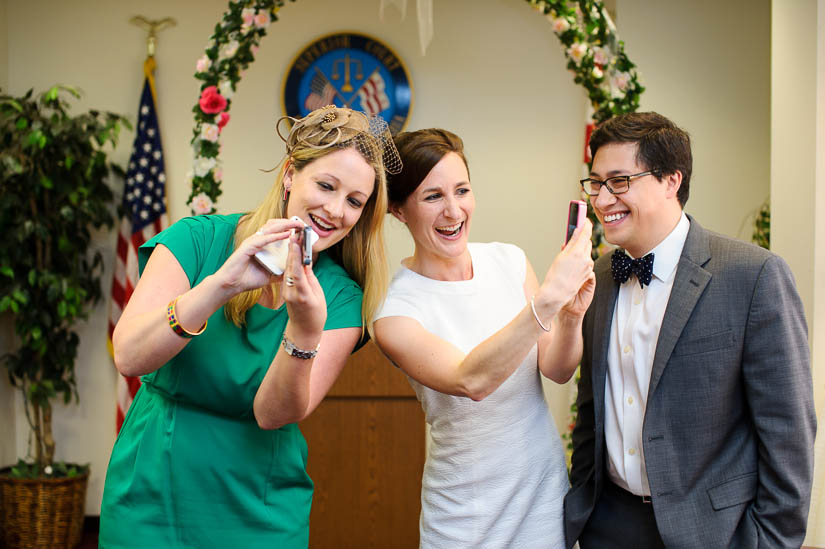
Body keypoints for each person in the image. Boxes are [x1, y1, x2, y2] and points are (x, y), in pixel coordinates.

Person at [99, 106, 400, 547]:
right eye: (326, 185)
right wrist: (221, 285)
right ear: (289, 174)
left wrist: (304, 330)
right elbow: (128, 355)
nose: (336, 210)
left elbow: (272, 413)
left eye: (355, 201)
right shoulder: (196, 240)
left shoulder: (339, 297)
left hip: (260, 509)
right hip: (153, 489)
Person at [564, 112, 817, 548]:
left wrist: (769, 542)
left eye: (620, 181)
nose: (603, 200)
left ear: (671, 180)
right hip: (609, 526)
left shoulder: (753, 275)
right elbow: (591, 410)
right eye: (596, 183)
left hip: (715, 533)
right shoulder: (600, 275)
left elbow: (788, 434)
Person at [373, 128, 596, 548]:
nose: (453, 211)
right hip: (464, 517)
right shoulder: (394, 310)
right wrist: (547, 302)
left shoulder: (508, 260)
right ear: (400, 211)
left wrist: (570, 314)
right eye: (432, 196)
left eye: (462, 190)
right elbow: (470, 380)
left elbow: (558, 370)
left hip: (543, 501)